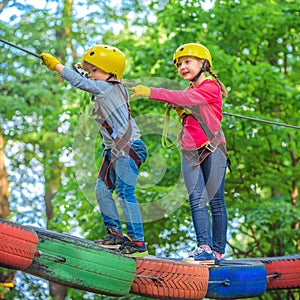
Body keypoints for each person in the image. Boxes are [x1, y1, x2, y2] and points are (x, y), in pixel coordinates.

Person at [41, 45, 148, 257]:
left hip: (128, 147)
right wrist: (82, 71)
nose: (91, 75)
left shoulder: (108, 87)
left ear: (111, 72)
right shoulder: (108, 87)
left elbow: (80, 82)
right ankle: (116, 235)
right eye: (89, 72)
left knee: (125, 193)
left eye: (95, 71)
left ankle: (138, 242)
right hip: (114, 149)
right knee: (101, 190)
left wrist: (57, 66)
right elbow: (86, 79)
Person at [131, 43, 229, 264]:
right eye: (180, 64)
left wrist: (151, 92)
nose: (183, 67)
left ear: (203, 63)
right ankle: (204, 248)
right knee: (196, 199)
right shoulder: (190, 91)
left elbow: (183, 99)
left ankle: (217, 251)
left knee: (215, 201)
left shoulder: (210, 87)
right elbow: (185, 102)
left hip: (212, 148)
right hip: (190, 151)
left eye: (188, 62)